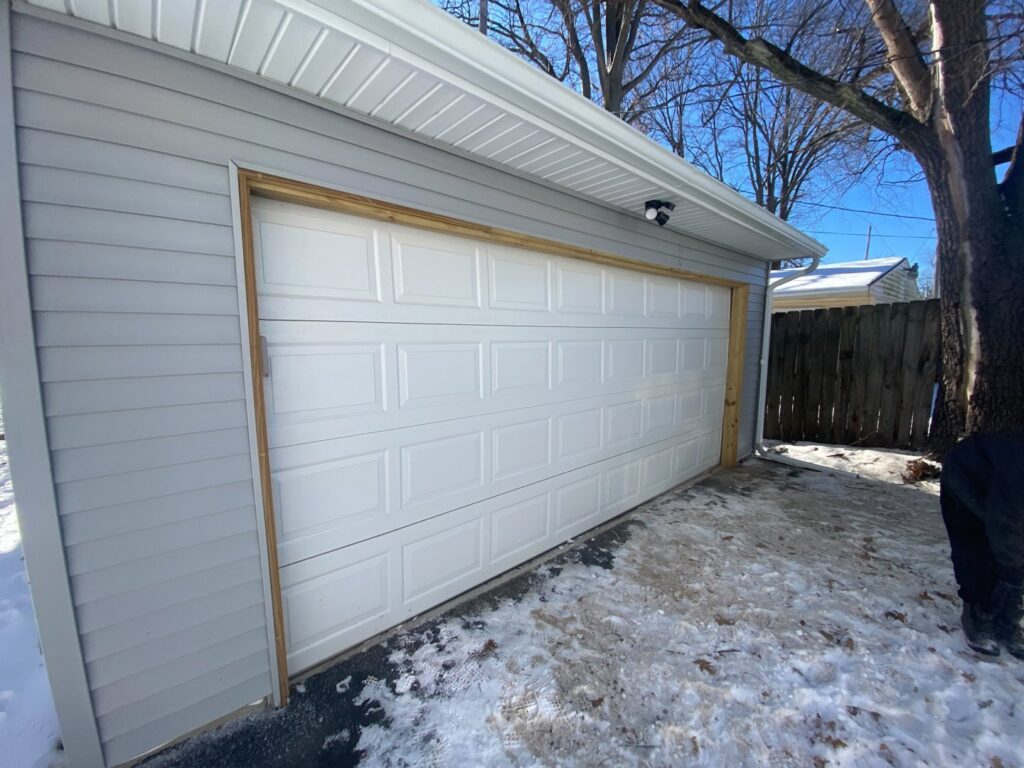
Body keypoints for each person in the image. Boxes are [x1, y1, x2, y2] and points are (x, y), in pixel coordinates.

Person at [940, 433, 1024, 659]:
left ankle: (1006, 621)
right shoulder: (1019, 473)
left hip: (999, 481)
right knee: (974, 543)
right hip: (966, 474)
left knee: (1010, 555)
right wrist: (1014, 579)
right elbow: (1007, 522)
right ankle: (978, 612)